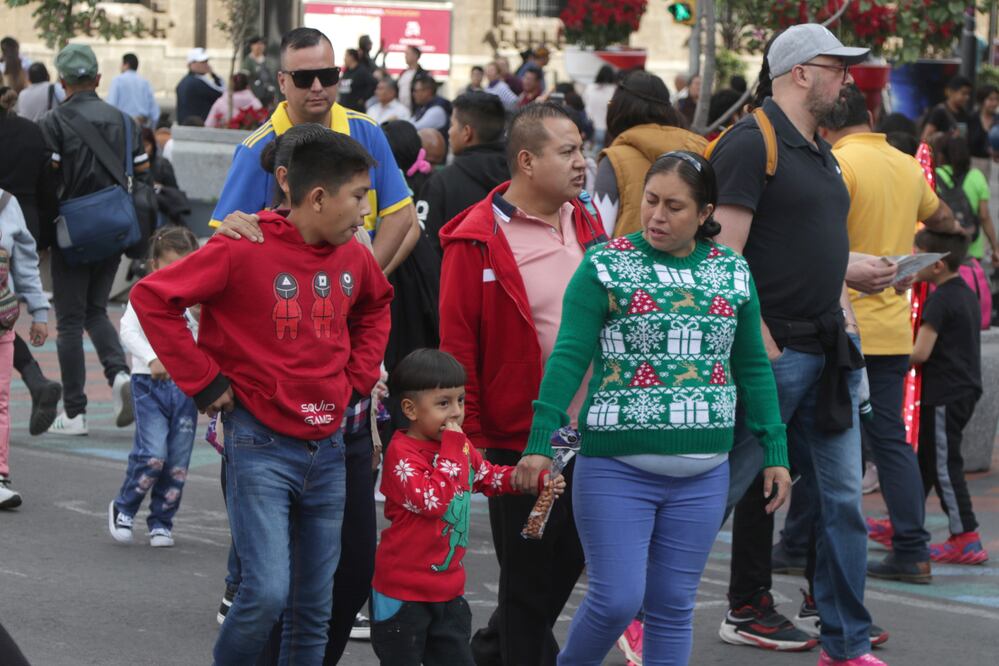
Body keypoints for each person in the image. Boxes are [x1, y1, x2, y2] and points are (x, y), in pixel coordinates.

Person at [130, 127, 393, 664]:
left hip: (331, 449)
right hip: (260, 447)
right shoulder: (242, 246)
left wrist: (357, 377)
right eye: (359, 197)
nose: (365, 212)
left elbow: (375, 306)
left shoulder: (355, 256)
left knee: (313, 608)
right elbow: (152, 298)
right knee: (267, 591)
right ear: (317, 197)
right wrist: (204, 380)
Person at [524, 150, 790, 664]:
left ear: (706, 212)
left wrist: (774, 447)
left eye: (674, 206)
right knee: (616, 599)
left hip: (705, 474)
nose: (657, 216)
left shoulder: (732, 272)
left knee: (672, 606)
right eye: (650, 201)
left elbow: (753, 366)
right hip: (614, 469)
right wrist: (542, 438)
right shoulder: (606, 265)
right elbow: (569, 357)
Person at [708, 24, 884, 664]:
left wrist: (847, 317)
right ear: (799, 72)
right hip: (775, 357)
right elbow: (723, 261)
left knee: (843, 505)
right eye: (837, 67)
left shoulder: (819, 151)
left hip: (828, 354)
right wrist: (759, 346)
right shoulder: (750, 144)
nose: (848, 79)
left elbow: (813, 250)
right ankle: (644, 610)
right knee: (716, 494)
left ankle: (847, 642)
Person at [439, 102, 606, 666]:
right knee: (531, 574)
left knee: (571, 561)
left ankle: (490, 649)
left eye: (582, 149)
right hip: (525, 439)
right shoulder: (477, 239)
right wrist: (468, 438)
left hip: (594, 430)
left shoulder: (586, 221)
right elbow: (458, 346)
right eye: (568, 151)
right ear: (528, 161)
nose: (582, 163)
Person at [814, 84, 960, 587]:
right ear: (871, 115)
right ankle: (913, 548)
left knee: (821, 437)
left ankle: (799, 543)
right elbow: (944, 220)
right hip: (894, 329)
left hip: (840, 326)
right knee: (890, 441)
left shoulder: (835, 164)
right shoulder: (904, 165)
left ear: (825, 126)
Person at [370, 348, 564, 665]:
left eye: (460, 400)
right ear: (411, 409)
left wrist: (534, 480)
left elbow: (487, 477)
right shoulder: (401, 454)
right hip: (402, 594)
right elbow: (433, 501)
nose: (456, 412)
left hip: (449, 591)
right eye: (443, 403)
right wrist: (452, 447)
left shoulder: (458, 445)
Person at [209, 27, 415, 272]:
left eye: (327, 75)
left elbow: (400, 213)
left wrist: (363, 280)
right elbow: (225, 239)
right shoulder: (256, 150)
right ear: (282, 81)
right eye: (304, 78)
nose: (317, 87)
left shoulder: (367, 131)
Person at [37, 44, 145, 436]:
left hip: (73, 231)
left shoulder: (52, 122)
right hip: (115, 229)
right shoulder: (125, 122)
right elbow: (144, 176)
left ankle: (76, 412)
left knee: (68, 322)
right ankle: (119, 377)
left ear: (61, 81)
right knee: (96, 310)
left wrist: (45, 236)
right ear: (99, 79)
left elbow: (47, 183)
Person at [107, 227, 200, 547]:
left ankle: (162, 520)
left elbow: (203, 336)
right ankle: (124, 507)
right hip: (149, 384)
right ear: (154, 264)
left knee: (177, 460)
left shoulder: (195, 298)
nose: (177, 272)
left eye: (185, 264)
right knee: (153, 455)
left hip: (185, 388)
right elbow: (127, 331)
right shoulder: (145, 292)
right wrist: (151, 359)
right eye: (170, 264)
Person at [910, 229, 990, 565]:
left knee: (943, 465)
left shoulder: (940, 299)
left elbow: (919, 353)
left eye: (917, 253)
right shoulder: (964, 291)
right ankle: (906, 521)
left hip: (945, 392)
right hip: (960, 389)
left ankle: (966, 535)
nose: (912, 258)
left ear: (937, 265)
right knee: (927, 462)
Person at [594, 70, 707, 238]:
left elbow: (599, 234)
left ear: (619, 108)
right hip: (694, 261)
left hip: (628, 261)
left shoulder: (613, 160)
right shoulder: (702, 149)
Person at [0, 188, 51, 509]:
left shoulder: (6, 203)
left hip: (1, 323)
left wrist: (39, 312)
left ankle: (0, 476)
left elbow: (25, 261)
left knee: (0, 399)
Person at [417, 91, 508, 254]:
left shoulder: (441, 183)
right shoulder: (522, 177)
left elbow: (425, 249)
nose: (449, 132)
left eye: (452, 125)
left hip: (454, 277)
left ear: (467, 132)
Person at [932, 133, 997, 266]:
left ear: (943, 154)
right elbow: (984, 216)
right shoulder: (977, 176)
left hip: (943, 250)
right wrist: (995, 247)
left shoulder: (935, 175)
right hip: (972, 249)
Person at [107, 53, 160, 127]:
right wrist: (152, 129)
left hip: (123, 125)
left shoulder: (117, 80)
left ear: (126, 65)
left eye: (121, 64)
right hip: (141, 126)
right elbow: (155, 113)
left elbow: (111, 106)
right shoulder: (145, 83)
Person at [175, 48, 224, 124]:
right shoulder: (196, 82)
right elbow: (222, 94)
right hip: (197, 129)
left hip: (189, 127)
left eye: (206, 61)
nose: (207, 65)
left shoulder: (187, 81)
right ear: (191, 64)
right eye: (202, 62)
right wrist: (213, 75)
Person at [921, 75, 972, 142]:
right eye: (963, 93)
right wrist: (946, 136)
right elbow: (925, 138)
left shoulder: (963, 113)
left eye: (968, 94)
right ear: (951, 92)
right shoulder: (939, 111)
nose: (967, 97)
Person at [583, 65, 616, 151]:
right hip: (609, 130)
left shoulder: (590, 88)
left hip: (592, 127)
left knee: (592, 153)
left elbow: (586, 106)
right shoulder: (614, 90)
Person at [242, 35, 277, 108]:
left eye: (261, 44)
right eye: (257, 44)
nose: (259, 46)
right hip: (254, 96)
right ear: (252, 46)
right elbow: (244, 78)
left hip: (268, 94)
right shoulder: (248, 61)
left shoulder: (267, 60)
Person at [967, 84, 998, 166]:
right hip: (972, 163)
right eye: (991, 99)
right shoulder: (972, 119)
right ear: (982, 100)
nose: (995, 103)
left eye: (997, 99)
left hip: (994, 165)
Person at [339, 48, 378, 113]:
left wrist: (363, 98)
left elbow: (373, 83)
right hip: (344, 108)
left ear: (352, 57)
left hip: (355, 110)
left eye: (346, 56)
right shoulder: (346, 71)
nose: (344, 59)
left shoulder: (362, 71)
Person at [397, 45, 425, 111]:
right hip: (401, 110)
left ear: (415, 56)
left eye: (408, 54)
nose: (405, 56)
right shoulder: (403, 73)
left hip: (414, 109)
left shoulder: (422, 74)